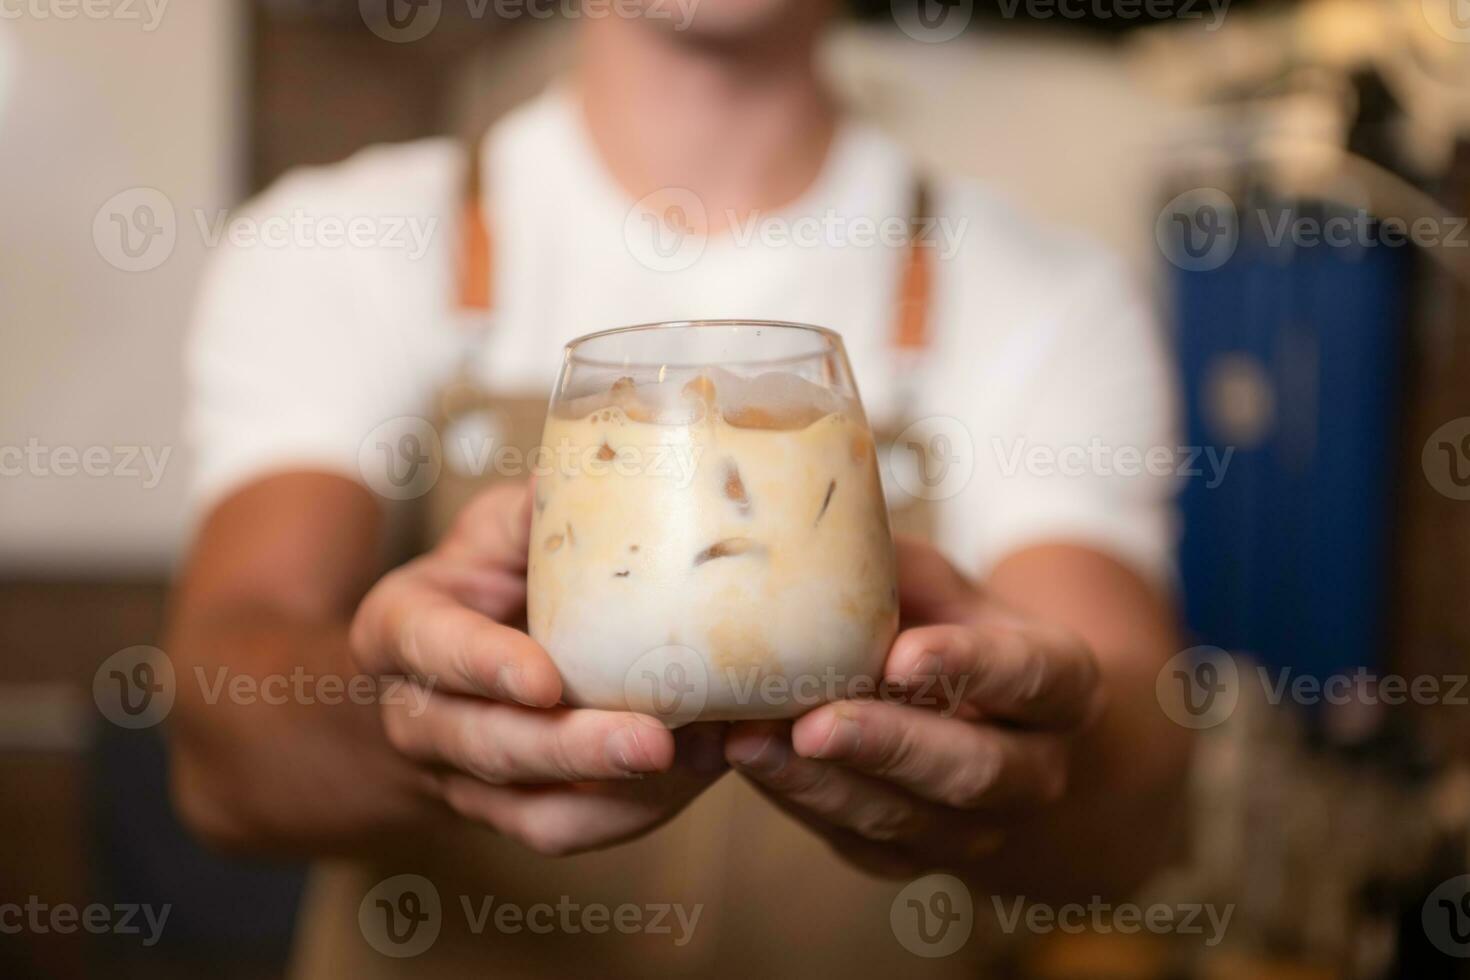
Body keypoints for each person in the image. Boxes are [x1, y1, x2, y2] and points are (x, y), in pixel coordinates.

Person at [166, 1, 1191, 975]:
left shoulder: (1047, 297)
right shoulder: (336, 246)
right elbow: (220, 734)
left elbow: (1141, 799)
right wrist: (414, 723)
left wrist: (1039, 763)